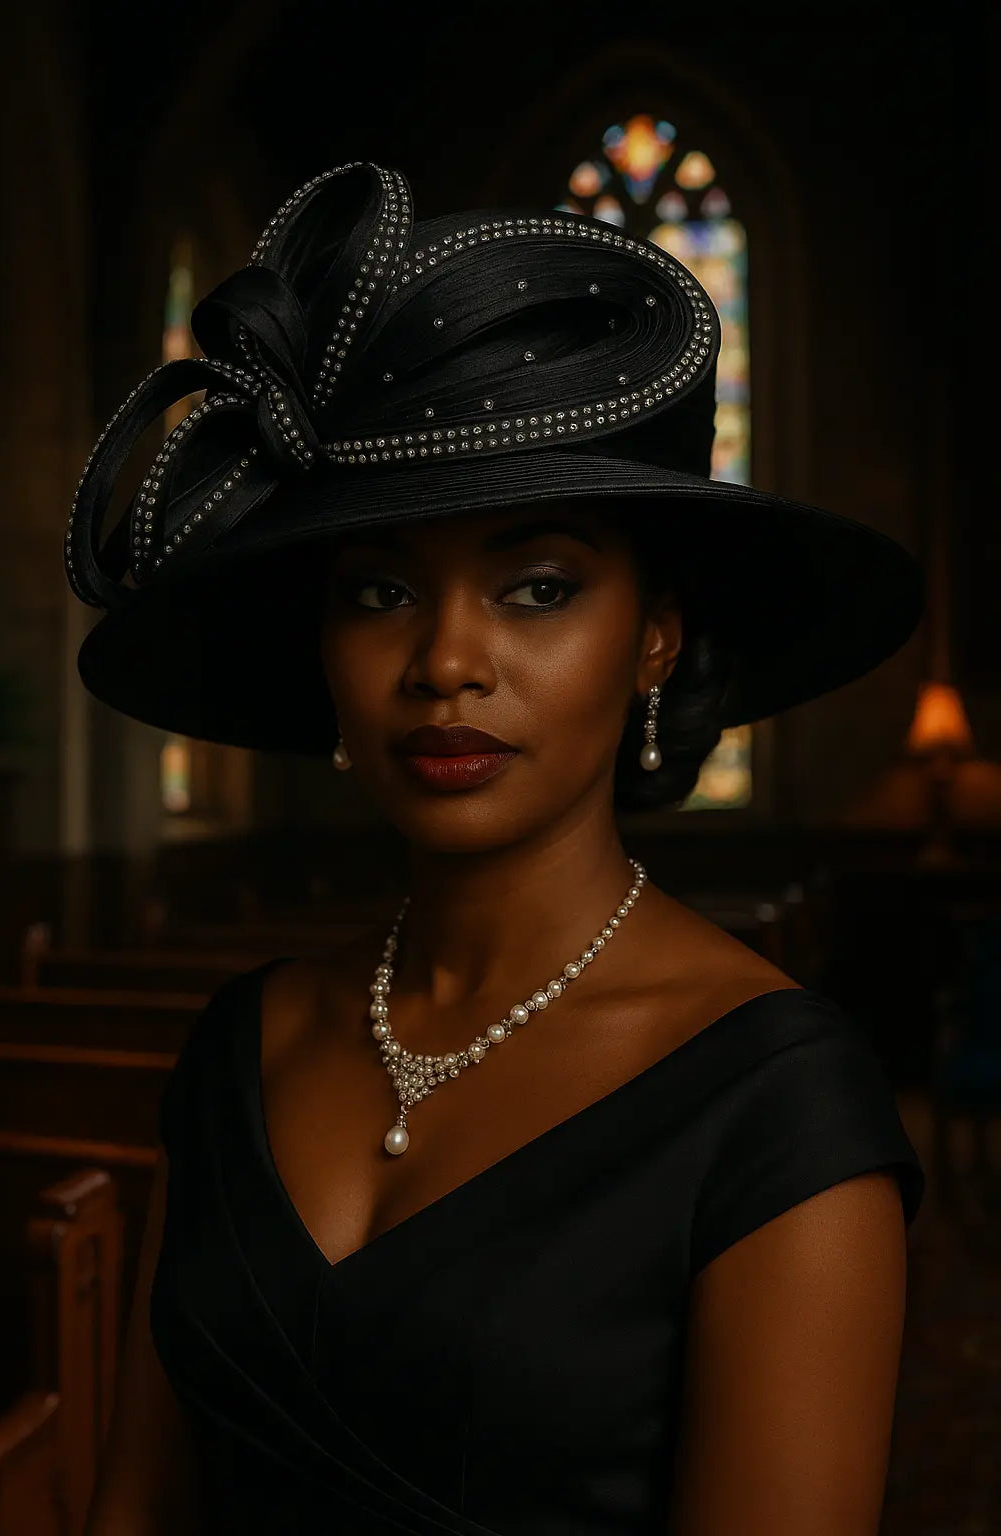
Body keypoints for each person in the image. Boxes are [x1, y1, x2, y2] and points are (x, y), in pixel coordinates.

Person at [70, 161, 925, 1535]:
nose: (448, 660)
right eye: (382, 589)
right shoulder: (243, 1043)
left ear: (655, 632)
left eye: (538, 587)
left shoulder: (777, 1107)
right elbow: (131, 1508)